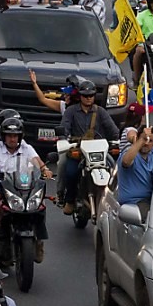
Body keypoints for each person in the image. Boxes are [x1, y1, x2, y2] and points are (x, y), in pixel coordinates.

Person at [0, 117, 52, 262]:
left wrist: (45, 170)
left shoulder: (27, 148)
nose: (12, 139)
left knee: (41, 207)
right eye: (9, 135)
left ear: (20, 136)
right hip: (0, 189)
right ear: (3, 136)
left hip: (23, 189)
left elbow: (37, 161)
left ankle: (39, 243)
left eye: (15, 135)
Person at [59, 80, 118, 216]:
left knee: (114, 170)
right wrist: (64, 140)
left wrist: (115, 140)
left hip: (98, 152)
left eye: (91, 95)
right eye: (86, 95)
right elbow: (64, 129)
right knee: (70, 171)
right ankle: (69, 200)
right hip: (78, 150)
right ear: (80, 96)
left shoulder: (101, 112)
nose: (88, 98)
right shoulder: (71, 111)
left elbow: (113, 130)